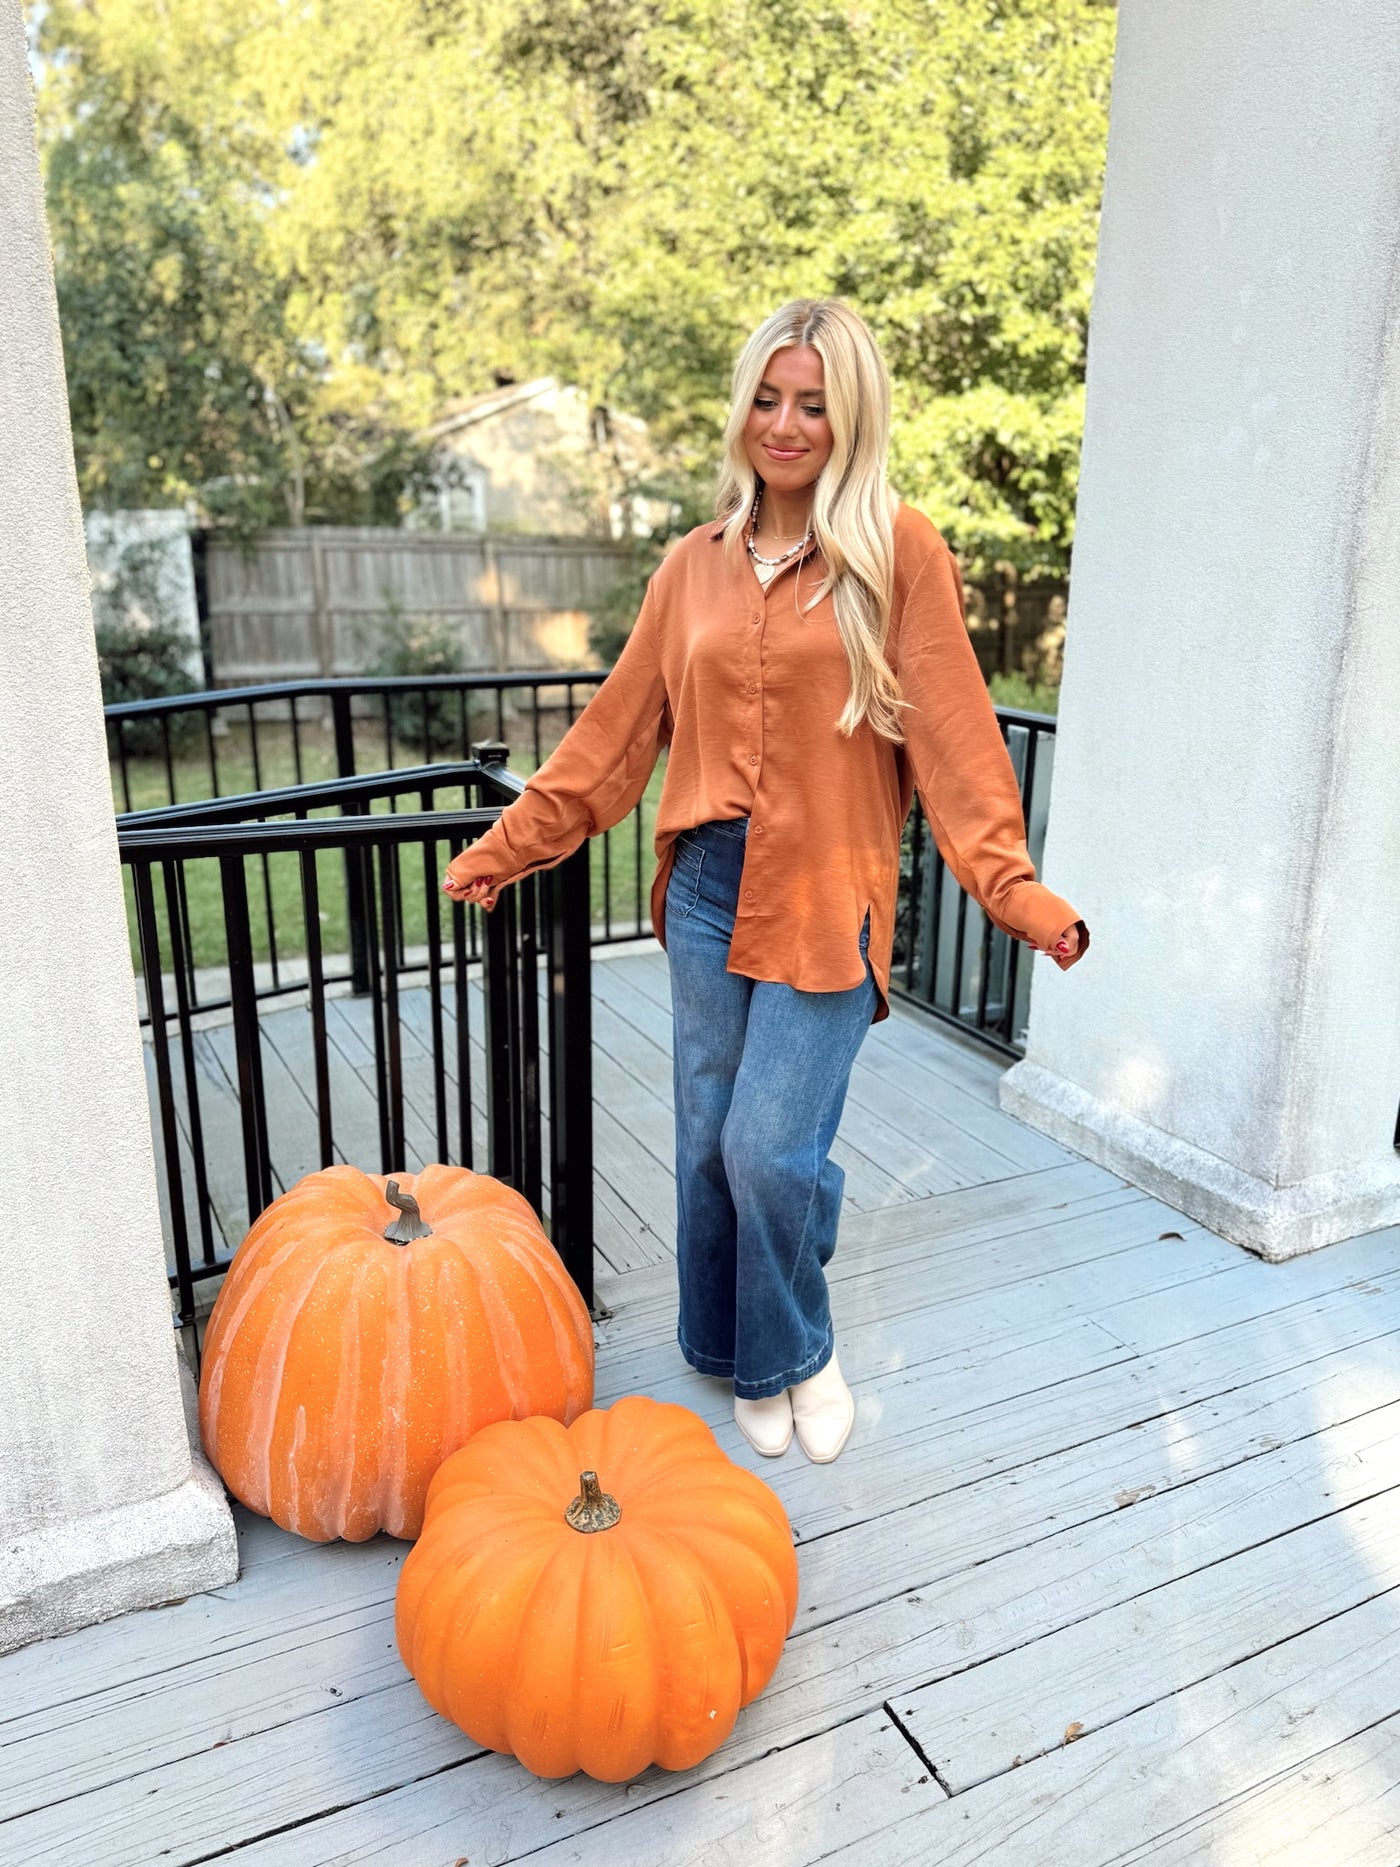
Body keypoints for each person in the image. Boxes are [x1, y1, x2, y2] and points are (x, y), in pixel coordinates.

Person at [444, 299, 1088, 1465]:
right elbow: (612, 735)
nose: (784, 424)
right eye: (767, 398)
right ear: (741, 407)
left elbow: (951, 739)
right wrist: (509, 845)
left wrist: (1014, 892)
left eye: (813, 404)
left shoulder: (896, 551)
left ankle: (796, 1344)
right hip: (703, 886)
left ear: (850, 421)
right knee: (704, 1138)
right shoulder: (688, 567)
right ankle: (725, 1336)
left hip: (824, 895)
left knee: (767, 1150)